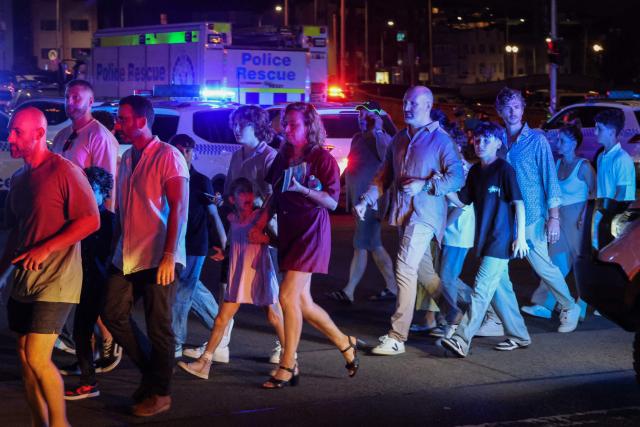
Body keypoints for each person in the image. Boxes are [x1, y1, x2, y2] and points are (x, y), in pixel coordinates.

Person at [1, 107, 100, 426]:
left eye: (17, 131)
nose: (10, 137)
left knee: (36, 356)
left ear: (40, 134)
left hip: (58, 280)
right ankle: (39, 422)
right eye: (11, 131)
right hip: (23, 280)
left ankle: (60, 424)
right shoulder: (18, 179)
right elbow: (17, 229)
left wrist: (45, 249)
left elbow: (91, 220)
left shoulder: (65, 171)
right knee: (24, 356)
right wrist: (3, 269)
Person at [354, 86, 465, 356]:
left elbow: (457, 178)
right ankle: (455, 315)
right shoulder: (400, 138)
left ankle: (396, 336)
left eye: (412, 103)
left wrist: (424, 186)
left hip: (426, 215)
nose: (406, 108)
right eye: (405, 102)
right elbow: (383, 175)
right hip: (404, 213)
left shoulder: (441, 140)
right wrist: (366, 199)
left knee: (404, 268)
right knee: (424, 273)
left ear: (428, 105)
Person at [102, 95, 189, 417]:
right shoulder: (127, 158)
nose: (118, 124)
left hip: (158, 255)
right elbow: (123, 209)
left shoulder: (168, 156)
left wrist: (169, 255)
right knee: (112, 313)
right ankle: (156, 373)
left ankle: (161, 393)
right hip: (126, 253)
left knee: (159, 326)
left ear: (142, 121)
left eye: (123, 119)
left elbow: (178, 206)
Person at [263, 102, 359, 388]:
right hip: (289, 232)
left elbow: (331, 201)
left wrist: (305, 189)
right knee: (303, 302)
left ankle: (288, 363)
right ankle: (345, 343)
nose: (288, 129)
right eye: (286, 123)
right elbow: (274, 196)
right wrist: (260, 223)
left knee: (287, 297)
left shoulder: (322, 159)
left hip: (311, 233)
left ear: (309, 126)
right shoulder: (282, 157)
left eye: (294, 124)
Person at [480, 87, 581, 335]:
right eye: (507, 107)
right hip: (504, 216)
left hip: (532, 214)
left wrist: (554, 218)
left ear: (523, 108)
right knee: (496, 268)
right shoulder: (498, 141)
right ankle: (494, 318)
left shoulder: (536, 140)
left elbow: (550, 179)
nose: (512, 112)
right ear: (500, 111)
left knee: (543, 267)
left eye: (516, 106)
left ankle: (569, 306)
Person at [178, 177, 285, 380]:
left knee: (274, 317)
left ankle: (290, 361)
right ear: (233, 199)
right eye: (241, 197)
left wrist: (264, 238)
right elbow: (236, 242)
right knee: (221, 319)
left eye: (249, 197)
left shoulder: (259, 217)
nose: (246, 201)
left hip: (258, 273)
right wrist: (225, 254)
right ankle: (204, 363)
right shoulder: (233, 219)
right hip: (238, 276)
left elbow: (279, 241)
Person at [440, 122, 530, 357]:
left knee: (481, 288)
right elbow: (462, 201)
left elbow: (519, 204)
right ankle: (520, 335)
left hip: (501, 239)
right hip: (485, 238)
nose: (480, 144)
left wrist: (520, 238)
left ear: (498, 143)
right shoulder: (476, 172)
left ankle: (462, 338)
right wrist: (440, 186)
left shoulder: (504, 170)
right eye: (477, 140)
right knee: (502, 290)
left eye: (486, 140)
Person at [520, 124, 596, 320]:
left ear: (574, 143)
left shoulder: (584, 166)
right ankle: (545, 304)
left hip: (578, 219)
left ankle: (583, 303)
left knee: (581, 263)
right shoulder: (556, 164)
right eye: (557, 139)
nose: (557, 143)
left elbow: (595, 194)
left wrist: (585, 217)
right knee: (554, 263)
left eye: (562, 140)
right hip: (559, 218)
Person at [326, 100, 396, 304]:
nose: (361, 119)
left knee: (361, 244)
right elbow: (351, 165)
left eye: (366, 116)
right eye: (360, 115)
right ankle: (392, 286)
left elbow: (387, 160)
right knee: (373, 245)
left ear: (377, 118)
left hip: (372, 203)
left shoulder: (381, 138)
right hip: (358, 201)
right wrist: (337, 186)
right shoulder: (357, 138)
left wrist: (378, 131)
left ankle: (349, 290)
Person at [168, 134, 229, 362]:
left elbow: (214, 214)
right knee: (190, 290)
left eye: (187, 150)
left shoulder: (201, 180)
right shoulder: (169, 176)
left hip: (194, 245)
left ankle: (175, 342)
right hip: (175, 244)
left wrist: (225, 245)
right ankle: (222, 324)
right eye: (179, 150)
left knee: (182, 293)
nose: (184, 155)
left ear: (192, 152)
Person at [62, 167, 119, 400]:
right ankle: (87, 367)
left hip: (97, 281)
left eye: (91, 189)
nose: (84, 193)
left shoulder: (108, 221)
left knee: (82, 329)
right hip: (86, 279)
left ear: (103, 193)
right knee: (83, 330)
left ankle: (89, 381)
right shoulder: (83, 216)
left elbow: (106, 255)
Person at [51, 80, 118, 212]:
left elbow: (107, 185)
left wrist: (104, 222)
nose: (69, 102)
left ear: (91, 102)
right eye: (67, 97)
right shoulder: (61, 136)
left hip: (86, 216)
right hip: (59, 212)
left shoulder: (99, 136)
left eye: (76, 97)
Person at [594, 109, 636, 204]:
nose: (595, 132)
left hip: (616, 216)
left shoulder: (622, 158)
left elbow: (621, 194)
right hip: (604, 214)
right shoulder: (600, 157)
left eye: (599, 129)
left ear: (612, 132)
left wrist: (608, 216)